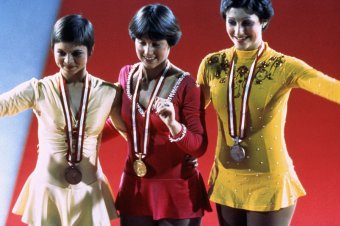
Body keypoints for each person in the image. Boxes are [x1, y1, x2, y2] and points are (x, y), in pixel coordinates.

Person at [196, 0, 340, 226]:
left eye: (247, 23)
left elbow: (333, 89)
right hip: (227, 178)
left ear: (263, 22)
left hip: (269, 182)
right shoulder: (213, 64)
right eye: (231, 22)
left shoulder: (284, 66)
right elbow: (190, 112)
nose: (238, 31)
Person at [0, 14, 126, 225]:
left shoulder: (109, 93)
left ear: (90, 50)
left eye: (77, 53)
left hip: (89, 189)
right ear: (53, 50)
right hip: (47, 189)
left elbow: (132, 134)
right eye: (61, 53)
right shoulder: (38, 89)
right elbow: (3, 105)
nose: (68, 61)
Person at [105, 3, 211, 226]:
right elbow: (119, 122)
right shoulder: (125, 75)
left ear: (170, 42)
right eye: (142, 42)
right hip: (135, 186)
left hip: (176, 190)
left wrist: (173, 124)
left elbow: (199, 145)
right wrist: (71, 139)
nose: (148, 51)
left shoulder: (187, 85)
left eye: (156, 44)